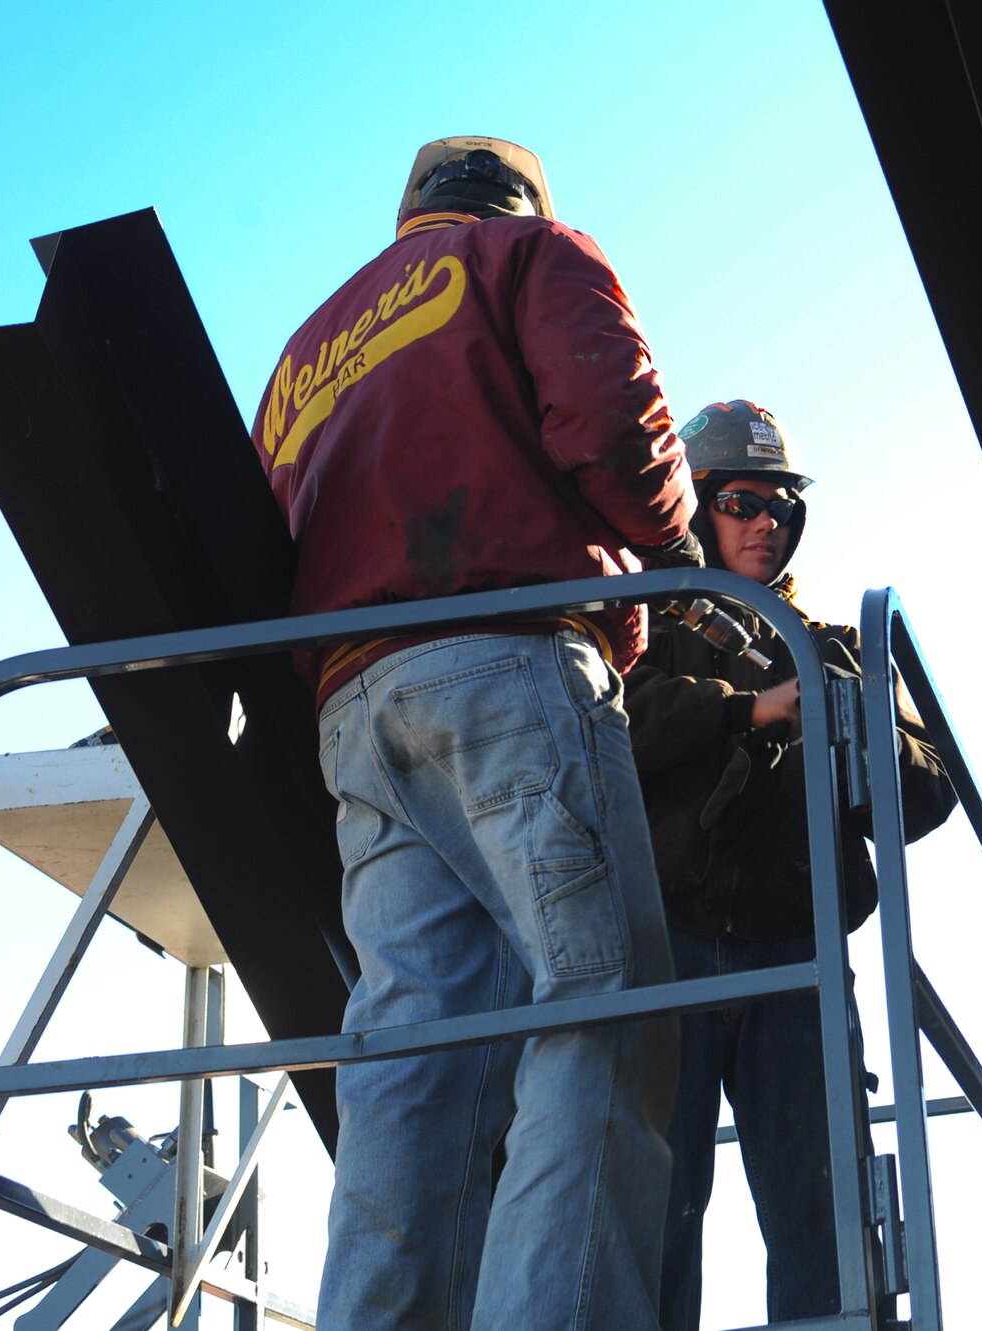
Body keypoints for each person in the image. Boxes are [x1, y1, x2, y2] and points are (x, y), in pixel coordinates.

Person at [250, 136, 698, 1330]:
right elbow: (615, 431)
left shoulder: (305, 354)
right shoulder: (527, 255)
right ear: (517, 200)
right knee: (594, 1000)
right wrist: (672, 539)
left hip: (354, 707)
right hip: (507, 657)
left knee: (411, 1057)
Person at [622, 401, 957, 1328]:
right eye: (739, 500)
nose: (765, 520)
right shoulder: (645, 621)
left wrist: (844, 725)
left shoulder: (842, 651)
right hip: (668, 955)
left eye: (780, 505)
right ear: (697, 508)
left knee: (824, 1219)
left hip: (796, 964)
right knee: (656, 1211)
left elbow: (929, 785)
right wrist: (747, 709)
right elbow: (612, 723)